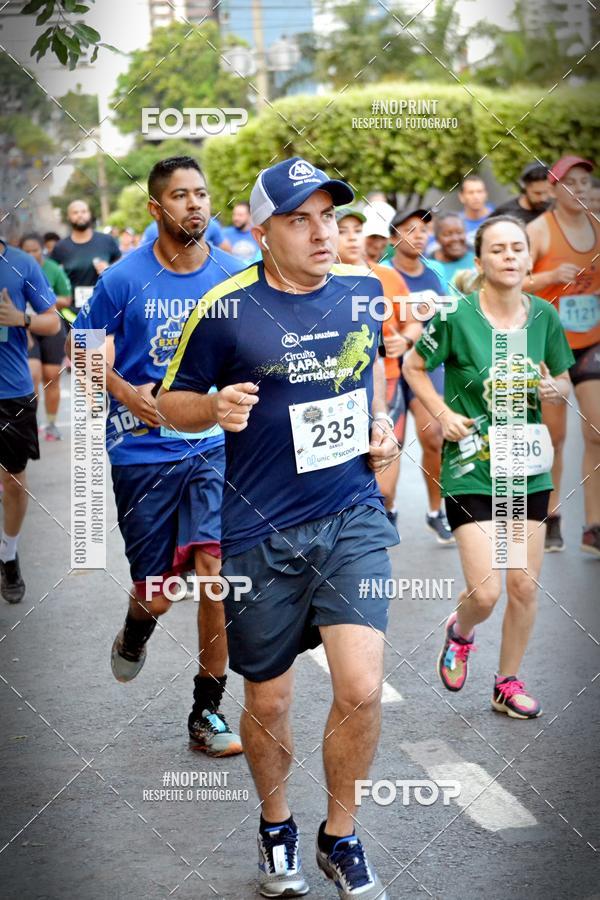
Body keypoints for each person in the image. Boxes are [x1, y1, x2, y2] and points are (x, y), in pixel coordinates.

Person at [158, 156, 399, 899]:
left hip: (352, 514)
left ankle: (342, 835)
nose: (322, 232)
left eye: (328, 216)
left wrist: (381, 429)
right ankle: (275, 830)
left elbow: (370, 377)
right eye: (300, 219)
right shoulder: (226, 308)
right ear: (262, 231)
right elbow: (171, 401)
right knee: (268, 702)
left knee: (360, 686)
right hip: (260, 529)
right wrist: (213, 409)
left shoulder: (363, 295)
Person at [71, 156, 245, 756]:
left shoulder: (233, 272)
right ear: (156, 208)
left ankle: (207, 711)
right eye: (180, 195)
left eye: (201, 193)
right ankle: (135, 629)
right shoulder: (124, 280)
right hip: (142, 452)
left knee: (214, 576)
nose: (195, 204)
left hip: (215, 446)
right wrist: (124, 392)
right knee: (159, 591)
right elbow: (85, 346)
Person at [403, 215, 574, 718]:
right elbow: (415, 366)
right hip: (472, 464)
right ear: (480, 262)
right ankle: (461, 630)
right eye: (497, 249)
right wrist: (443, 413)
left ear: (528, 258)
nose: (509, 256)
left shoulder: (543, 317)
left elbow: (562, 380)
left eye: (517, 248)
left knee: (523, 585)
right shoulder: (457, 315)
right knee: (486, 591)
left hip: (526, 464)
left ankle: (507, 683)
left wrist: (553, 388)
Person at [527, 155, 600, 555]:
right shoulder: (539, 230)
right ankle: (551, 514)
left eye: (586, 181)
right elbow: (511, 279)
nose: (580, 188)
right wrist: (547, 278)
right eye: (570, 181)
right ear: (554, 187)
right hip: (550, 345)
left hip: (592, 341)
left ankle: (594, 525)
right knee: (555, 437)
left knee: (596, 433)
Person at [335, 205, 419, 528]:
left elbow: (413, 322)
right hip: (339, 387)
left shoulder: (387, 277)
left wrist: (405, 341)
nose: (353, 238)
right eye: (344, 231)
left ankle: (387, 508)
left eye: (358, 231)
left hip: (387, 380)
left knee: (383, 474)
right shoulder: (320, 280)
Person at [386, 208, 454, 543]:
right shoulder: (383, 275)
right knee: (391, 443)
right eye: (410, 229)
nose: (419, 235)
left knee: (435, 435)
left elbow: (451, 317)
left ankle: (435, 511)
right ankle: (388, 510)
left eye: (424, 230)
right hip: (392, 370)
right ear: (393, 237)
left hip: (427, 366)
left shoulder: (436, 272)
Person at [0, 236, 60, 603]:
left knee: (14, 482)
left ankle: (8, 553)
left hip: (11, 393)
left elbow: (52, 323)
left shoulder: (22, 262)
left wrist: (21, 318)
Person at [19, 233, 71, 441]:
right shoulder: (13, 269)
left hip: (51, 326)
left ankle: (50, 423)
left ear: (43, 250)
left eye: (35, 250)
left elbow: (66, 299)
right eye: (26, 251)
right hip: (26, 327)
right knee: (32, 375)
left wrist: (43, 299)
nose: (31, 254)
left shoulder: (53, 269)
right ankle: (32, 423)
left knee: (51, 376)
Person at [51, 200, 120, 313]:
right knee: (83, 331)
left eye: (84, 211)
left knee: (101, 331)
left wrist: (109, 268)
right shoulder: (60, 247)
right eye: (75, 212)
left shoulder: (106, 240)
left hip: (104, 307)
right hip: (72, 312)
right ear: (68, 217)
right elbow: (52, 276)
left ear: (90, 214)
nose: (80, 215)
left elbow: (122, 267)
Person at [489, 162, 552, 226]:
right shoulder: (504, 215)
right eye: (537, 193)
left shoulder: (552, 209)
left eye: (546, 192)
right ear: (524, 187)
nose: (543, 198)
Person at [429, 213, 476, 294]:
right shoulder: (429, 268)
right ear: (437, 239)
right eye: (447, 234)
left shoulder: (479, 256)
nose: (455, 238)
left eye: (459, 232)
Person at [458, 174, 494, 246]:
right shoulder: (456, 223)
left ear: (486, 194)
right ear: (461, 197)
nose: (476, 196)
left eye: (479, 191)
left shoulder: (497, 217)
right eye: (471, 192)